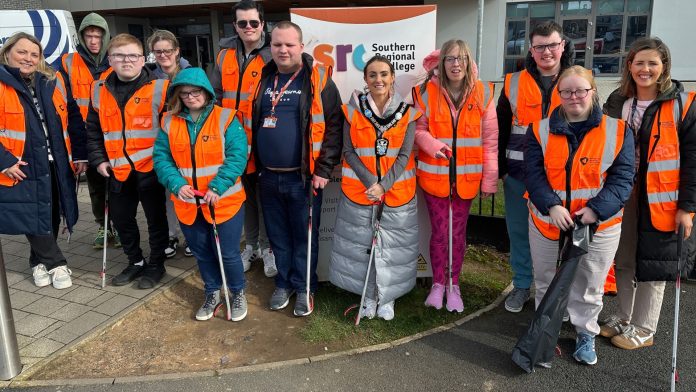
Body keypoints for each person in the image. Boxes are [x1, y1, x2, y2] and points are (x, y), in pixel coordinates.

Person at [525, 65, 634, 365]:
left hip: (599, 223)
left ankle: (585, 331)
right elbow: (533, 174)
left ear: (592, 92)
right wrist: (551, 204)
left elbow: (623, 178)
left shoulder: (619, 130)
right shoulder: (539, 129)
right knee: (546, 277)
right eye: (566, 92)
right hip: (548, 219)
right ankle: (546, 327)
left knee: (590, 281)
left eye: (580, 91)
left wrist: (597, 209)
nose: (574, 97)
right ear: (558, 95)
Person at [600, 37, 696, 350]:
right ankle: (625, 317)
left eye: (652, 63)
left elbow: (693, 158)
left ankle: (644, 327)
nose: (645, 69)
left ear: (663, 67)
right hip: (624, 190)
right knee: (624, 257)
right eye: (639, 62)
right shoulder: (618, 100)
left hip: (663, 197)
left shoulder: (683, 104)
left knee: (654, 262)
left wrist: (687, 207)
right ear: (629, 66)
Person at [251, 21, 343, 317]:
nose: (282, 50)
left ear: (301, 47)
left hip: (303, 179)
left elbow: (334, 127)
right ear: (271, 47)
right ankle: (284, 283)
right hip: (267, 176)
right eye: (277, 44)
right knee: (278, 236)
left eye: (289, 44)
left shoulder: (318, 79)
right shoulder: (264, 78)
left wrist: (324, 170)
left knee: (304, 237)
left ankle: (304, 287)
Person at [154, 67, 249, 321]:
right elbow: (162, 159)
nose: (190, 97)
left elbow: (237, 157)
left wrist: (218, 186)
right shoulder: (168, 121)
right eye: (184, 93)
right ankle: (212, 292)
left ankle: (237, 292)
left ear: (207, 92)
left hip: (224, 202)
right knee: (203, 253)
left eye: (196, 91)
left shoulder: (227, 118)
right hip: (188, 204)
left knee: (228, 253)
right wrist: (176, 184)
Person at [329, 55, 420, 321]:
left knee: (392, 249)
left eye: (383, 74)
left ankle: (387, 298)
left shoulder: (408, 113)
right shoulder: (352, 110)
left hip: (397, 194)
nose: (378, 80)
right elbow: (348, 151)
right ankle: (368, 297)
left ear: (392, 78)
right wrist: (372, 183)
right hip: (360, 192)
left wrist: (384, 186)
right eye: (372, 75)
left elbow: (405, 155)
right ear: (366, 80)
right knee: (361, 248)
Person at [413, 40, 498, 313]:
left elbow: (490, 140)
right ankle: (438, 283)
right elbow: (416, 130)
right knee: (440, 233)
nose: (455, 64)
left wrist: (490, 179)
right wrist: (434, 145)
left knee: (457, 235)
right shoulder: (424, 91)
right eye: (449, 58)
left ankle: (454, 284)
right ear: (441, 62)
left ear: (469, 61)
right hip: (435, 177)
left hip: (467, 179)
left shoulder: (483, 92)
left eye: (460, 58)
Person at [497, 21, 575, 313]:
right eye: (540, 46)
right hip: (518, 175)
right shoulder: (513, 82)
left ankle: (557, 294)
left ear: (562, 45)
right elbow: (500, 129)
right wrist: (501, 169)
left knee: (561, 236)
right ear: (531, 49)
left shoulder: (577, 80)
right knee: (519, 233)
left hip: (561, 177)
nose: (547, 52)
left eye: (552, 45)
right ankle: (521, 285)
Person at [0, 32, 86, 289]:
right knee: (32, 212)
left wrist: (79, 153)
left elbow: (73, 115)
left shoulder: (52, 80)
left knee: (50, 212)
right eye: (22, 52)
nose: (28, 58)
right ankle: (56, 263)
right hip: (22, 164)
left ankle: (37, 262)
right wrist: (4, 160)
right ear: (7, 53)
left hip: (55, 160)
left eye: (34, 54)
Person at [86, 33, 170, 289]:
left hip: (151, 168)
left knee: (156, 220)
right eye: (120, 55)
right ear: (110, 59)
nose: (126, 61)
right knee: (122, 219)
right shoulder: (98, 89)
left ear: (143, 59)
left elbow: (171, 130)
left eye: (132, 55)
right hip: (116, 169)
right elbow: (92, 130)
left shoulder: (160, 87)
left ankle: (156, 264)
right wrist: (99, 160)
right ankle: (135, 262)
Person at [211, 0, 276, 276]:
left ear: (262, 23)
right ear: (235, 26)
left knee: (268, 198)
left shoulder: (273, 53)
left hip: (264, 138)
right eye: (242, 23)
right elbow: (214, 95)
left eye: (253, 22)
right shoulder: (224, 54)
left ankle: (271, 247)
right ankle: (251, 246)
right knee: (245, 196)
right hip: (232, 140)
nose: (248, 28)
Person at [57, 12, 119, 249]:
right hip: (86, 137)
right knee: (95, 185)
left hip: (114, 135)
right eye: (89, 36)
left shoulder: (115, 61)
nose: (93, 41)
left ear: (105, 38)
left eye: (98, 36)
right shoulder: (68, 62)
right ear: (82, 37)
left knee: (119, 186)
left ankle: (121, 224)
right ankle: (104, 226)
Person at [146, 28, 193, 259]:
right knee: (167, 194)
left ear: (176, 51)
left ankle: (191, 235)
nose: (163, 55)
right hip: (161, 141)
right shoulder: (148, 76)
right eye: (158, 51)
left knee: (188, 187)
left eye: (167, 50)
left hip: (186, 140)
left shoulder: (190, 74)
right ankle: (172, 235)